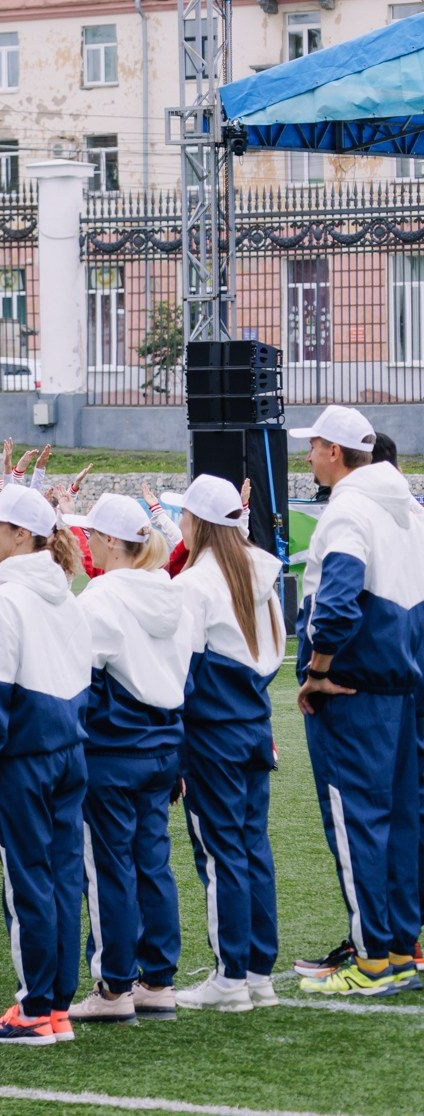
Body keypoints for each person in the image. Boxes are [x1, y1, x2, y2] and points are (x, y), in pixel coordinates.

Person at [286, 404, 423, 997]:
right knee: (402, 819)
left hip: (355, 689)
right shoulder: (409, 508)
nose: (308, 456)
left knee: (358, 819)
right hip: (402, 687)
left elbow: (336, 605)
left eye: (313, 446)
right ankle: (399, 947)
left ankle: (371, 961)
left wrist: (316, 671)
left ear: (335, 453)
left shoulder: (349, 508)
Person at [0, 479, 93, 1045]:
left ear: (21, 534)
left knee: (27, 882)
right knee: (62, 880)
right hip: (68, 753)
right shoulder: (64, 594)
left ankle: (37, 1007)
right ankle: (54, 1004)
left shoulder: (6, 599)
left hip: (22, 759)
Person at [66, 492, 199, 1023]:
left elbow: (83, 679)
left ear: (112, 542)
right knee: (152, 862)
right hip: (164, 744)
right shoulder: (172, 594)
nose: (87, 543)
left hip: (114, 749)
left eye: (93, 535)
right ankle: (157, 979)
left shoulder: (100, 597)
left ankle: (115, 985)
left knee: (110, 868)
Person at [169, 474, 285, 1012]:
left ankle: (231, 977)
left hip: (212, 729)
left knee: (221, 853)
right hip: (252, 719)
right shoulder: (257, 567)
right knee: (251, 846)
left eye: (184, 516)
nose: (180, 525)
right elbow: (274, 651)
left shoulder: (197, 582)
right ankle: (257, 972)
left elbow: (182, 670)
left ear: (198, 523)